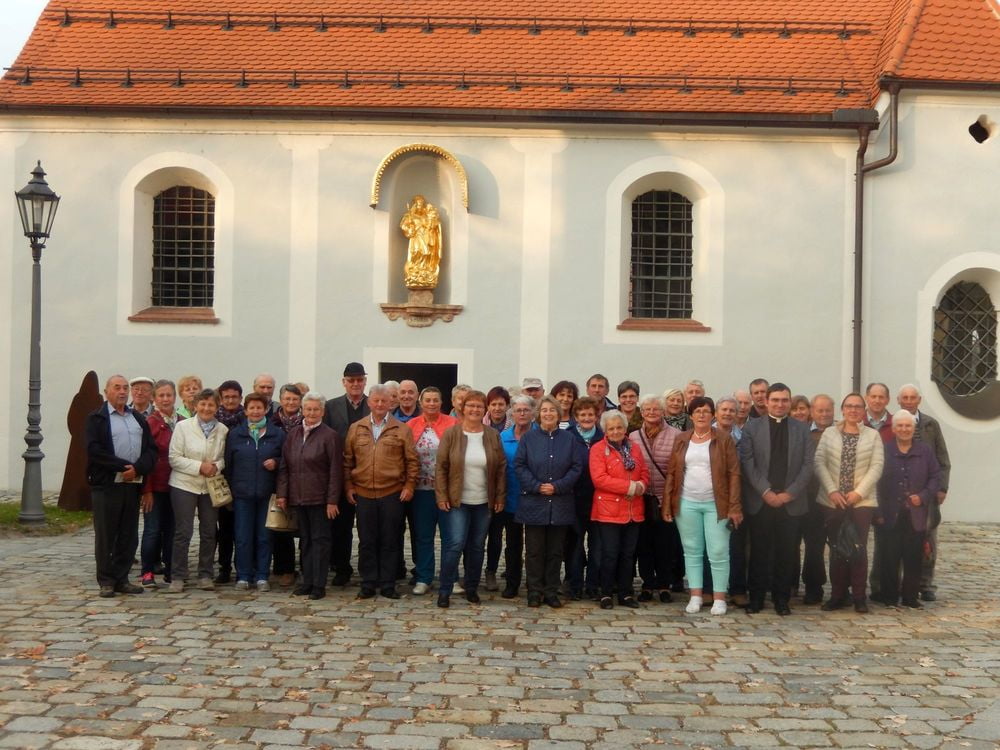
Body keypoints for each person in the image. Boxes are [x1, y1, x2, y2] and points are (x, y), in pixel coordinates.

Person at [739, 382, 815, 616]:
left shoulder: (802, 429)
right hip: (761, 500)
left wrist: (789, 493)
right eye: (775, 400)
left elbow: (808, 465)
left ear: (789, 402)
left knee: (787, 552)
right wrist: (766, 491)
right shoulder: (752, 427)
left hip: (791, 501)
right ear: (767, 401)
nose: (780, 404)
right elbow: (747, 463)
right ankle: (756, 598)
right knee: (759, 552)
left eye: (784, 400)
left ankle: (782, 599)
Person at [664, 397, 743, 616]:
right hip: (687, 502)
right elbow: (672, 472)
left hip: (716, 504)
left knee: (718, 551)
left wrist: (734, 506)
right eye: (697, 411)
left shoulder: (724, 439)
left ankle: (719, 598)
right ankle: (696, 595)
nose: (701, 415)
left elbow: (734, 474)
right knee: (692, 550)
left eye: (706, 411)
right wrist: (668, 503)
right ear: (691, 415)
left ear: (713, 415)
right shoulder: (682, 439)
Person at [344, 384, 418, 599]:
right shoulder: (356, 428)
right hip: (364, 492)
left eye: (384, 401)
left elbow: (412, 461)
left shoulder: (401, 429)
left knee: (390, 539)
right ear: (369, 402)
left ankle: (388, 583)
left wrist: (409, 486)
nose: (379, 404)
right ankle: (368, 582)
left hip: (392, 492)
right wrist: (348, 486)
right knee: (366, 540)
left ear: (390, 403)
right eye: (375, 400)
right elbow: (347, 460)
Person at [86, 374, 158, 598]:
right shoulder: (97, 418)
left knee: (128, 534)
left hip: (132, 484)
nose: (122, 392)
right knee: (106, 534)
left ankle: (121, 578)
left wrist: (137, 469)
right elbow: (94, 450)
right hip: (107, 484)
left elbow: (151, 450)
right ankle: (106, 580)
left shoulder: (137, 418)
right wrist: (122, 467)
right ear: (107, 391)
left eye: (125, 388)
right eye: (117, 387)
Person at [434, 390, 507, 608]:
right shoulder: (452, 434)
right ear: (462, 408)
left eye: (479, 406)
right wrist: (441, 495)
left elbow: (501, 468)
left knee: (476, 546)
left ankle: (472, 587)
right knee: (455, 544)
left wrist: (499, 496)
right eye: (471, 405)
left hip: (484, 501)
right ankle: (445, 590)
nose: (475, 410)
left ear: (484, 410)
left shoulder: (492, 435)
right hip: (458, 500)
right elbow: (441, 467)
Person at [814, 392, 885, 613]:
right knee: (837, 549)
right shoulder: (829, 433)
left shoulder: (873, 435)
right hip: (832, 501)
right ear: (842, 410)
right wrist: (832, 491)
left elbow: (877, 466)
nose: (853, 410)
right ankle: (837, 595)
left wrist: (858, 493)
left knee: (857, 549)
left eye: (857, 406)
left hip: (861, 503)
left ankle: (859, 596)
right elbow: (819, 462)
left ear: (863, 410)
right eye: (849, 406)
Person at [514, 394, 583, 608]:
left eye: (552, 410)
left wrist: (558, 486)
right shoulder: (528, 438)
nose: (548, 414)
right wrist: (537, 486)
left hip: (560, 502)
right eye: (544, 410)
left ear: (558, 413)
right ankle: (534, 591)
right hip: (534, 502)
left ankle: (551, 591)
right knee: (534, 551)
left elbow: (576, 467)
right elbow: (519, 465)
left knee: (555, 551)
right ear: (538, 414)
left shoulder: (569, 439)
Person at [276, 392, 343, 600]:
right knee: (305, 541)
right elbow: (284, 466)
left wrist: (332, 500)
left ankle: (319, 584)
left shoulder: (330, 436)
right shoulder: (293, 434)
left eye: (316, 409)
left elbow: (336, 471)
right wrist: (282, 494)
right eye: (308, 409)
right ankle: (307, 581)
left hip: (320, 498)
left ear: (322, 411)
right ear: (302, 410)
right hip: (298, 497)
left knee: (320, 541)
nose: (312, 413)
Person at [166, 388, 229, 594]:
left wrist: (216, 466)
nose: (206, 408)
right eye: (203, 404)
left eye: (211, 405)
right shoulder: (183, 427)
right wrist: (199, 467)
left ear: (217, 407)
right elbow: (174, 458)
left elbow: (224, 457)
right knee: (183, 531)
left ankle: (205, 574)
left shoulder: (222, 430)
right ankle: (178, 575)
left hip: (210, 486)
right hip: (184, 484)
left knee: (209, 531)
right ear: (195, 406)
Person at [585, 409, 648, 610]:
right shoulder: (598, 449)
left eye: (619, 427)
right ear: (605, 430)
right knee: (610, 554)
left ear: (625, 428)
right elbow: (599, 479)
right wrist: (629, 487)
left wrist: (641, 486)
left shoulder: (634, 447)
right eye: (611, 428)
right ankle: (605, 593)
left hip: (633, 509)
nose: (615, 431)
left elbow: (644, 472)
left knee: (628, 554)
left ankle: (625, 593)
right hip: (608, 510)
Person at [877, 409, 940, 608]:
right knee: (889, 556)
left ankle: (910, 597)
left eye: (908, 426)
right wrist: (878, 511)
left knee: (913, 556)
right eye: (900, 426)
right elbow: (876, 481)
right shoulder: (884, 450)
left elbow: (935, 477)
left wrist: (923, 496)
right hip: (890, 512)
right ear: (894, 429)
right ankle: (889, 596)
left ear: (914, 429)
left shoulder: (925, 451)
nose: (904, 429)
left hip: (916, 512)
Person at [225, 392, 285, 592]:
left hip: (267, 494)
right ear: (245, 410)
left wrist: (276, 462)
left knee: (264, 537)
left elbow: (286, 461)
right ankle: (243, 575)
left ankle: (262, 575)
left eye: (260, 407)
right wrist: (231, 492)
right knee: (242, 537)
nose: (256, 411)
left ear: (266, 410)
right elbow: (229, 465)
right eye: (252, 408)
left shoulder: (277, 434)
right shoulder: (235, 434)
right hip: (242, 494)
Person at [896, 384, 951, 602]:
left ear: (919, 400)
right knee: (902, 538)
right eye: (905, 398)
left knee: (928, 540)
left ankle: (926, 584)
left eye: (913, 398)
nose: (909, 401)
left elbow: (943, 458)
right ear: (899, 401)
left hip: (928, 491)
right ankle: (901, 582)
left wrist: (942, 487)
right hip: (902, 492)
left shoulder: (930, 425)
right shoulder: (895, 423)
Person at [323, 361, 371, 586]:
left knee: (368, 526)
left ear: (365, 381)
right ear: (344, 382)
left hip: (368, 473)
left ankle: (368, 568)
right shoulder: (331, 406)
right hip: (340, 472)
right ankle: (342, 567)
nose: (355, 384)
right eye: (351, 380)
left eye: (359, 380)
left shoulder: (374, 405)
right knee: (341, 526)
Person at [630, 394, 681, 603]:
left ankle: (664, 584)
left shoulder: (676, 435)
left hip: (664, 498)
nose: (652, 412)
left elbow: (679, 468)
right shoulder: (633, 437)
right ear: (642, 412)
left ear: (663, 412)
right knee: (643, 544)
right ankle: (647, 583)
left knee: (665, 544)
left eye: (656, 409)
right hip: (641, 498)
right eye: (647, 409)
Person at [407, 387, 458, 595]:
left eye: (435, 400)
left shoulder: (453, 424)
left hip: (446, 489)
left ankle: (451, 577)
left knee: (449, 536)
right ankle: (424, 577)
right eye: (427, 400)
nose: (431, 403)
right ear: (421, 403)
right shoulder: (411, 425)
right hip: (421, 489)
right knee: (423, 535)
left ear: (441, 402)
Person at [139, 379, 180, 589]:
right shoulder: (150, 423)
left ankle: (171, 570)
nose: (165, 399)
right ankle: (147, 571)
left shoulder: (183, 422)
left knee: (173, 530)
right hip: (155, 485)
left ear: (175, 397)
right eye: (161, 395)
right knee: (152, 529)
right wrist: (146, 490)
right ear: (154, 399)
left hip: (177, 485)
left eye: (169, 395)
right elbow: (145, 459)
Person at [564, 396, 603, 600]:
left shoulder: (604, 436)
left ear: (597, 416)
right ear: (576, 417)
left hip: (599, 500)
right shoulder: (568, 436)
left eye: (590, 414)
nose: (587, 418)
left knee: (597, 546)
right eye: (582, 414)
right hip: (574, 499)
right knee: (575, 545)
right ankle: (575, 584)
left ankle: (593, 584)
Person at [799, 393, 835, 605]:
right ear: (812, 412)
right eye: (820, 410)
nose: (824, 414)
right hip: (809, 498)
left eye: (828, 410)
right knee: (813, 546)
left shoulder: (840, 432)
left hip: (835, 498)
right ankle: (813, 587)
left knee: (835, 545)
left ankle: (841, 588)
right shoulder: (803, 433)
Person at [497, 396, 535, 599]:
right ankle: (512, 582)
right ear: (511, 413)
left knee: (534, 545)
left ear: (533, 413)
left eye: (526, 410)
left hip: (535, 498)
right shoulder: (503, 437)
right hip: (511, 496)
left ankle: (534, 582)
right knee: (513, 544)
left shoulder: (540, 435)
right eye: (518, 410)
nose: (522, 413)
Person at [269, 383, 303, 587]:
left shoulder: (307, 421)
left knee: (305, 526)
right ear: (281, 400)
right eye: (287, 399)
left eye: (295, 399)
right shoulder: (271, 422)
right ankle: (285, 568)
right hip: (277, 479)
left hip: (303, 480)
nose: (291, 402)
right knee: (281, 526)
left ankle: (307, 567)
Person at [213, 379, 244, 585]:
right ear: (221, 399)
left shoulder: (247, 418)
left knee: (242, 528)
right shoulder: (214, 421)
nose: (231, 400)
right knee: (224, 528)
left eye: (234, 397)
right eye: (227, 397)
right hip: (220, 479)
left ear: (240, 398)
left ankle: (243, 567)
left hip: (242, 478)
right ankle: (224, 568)